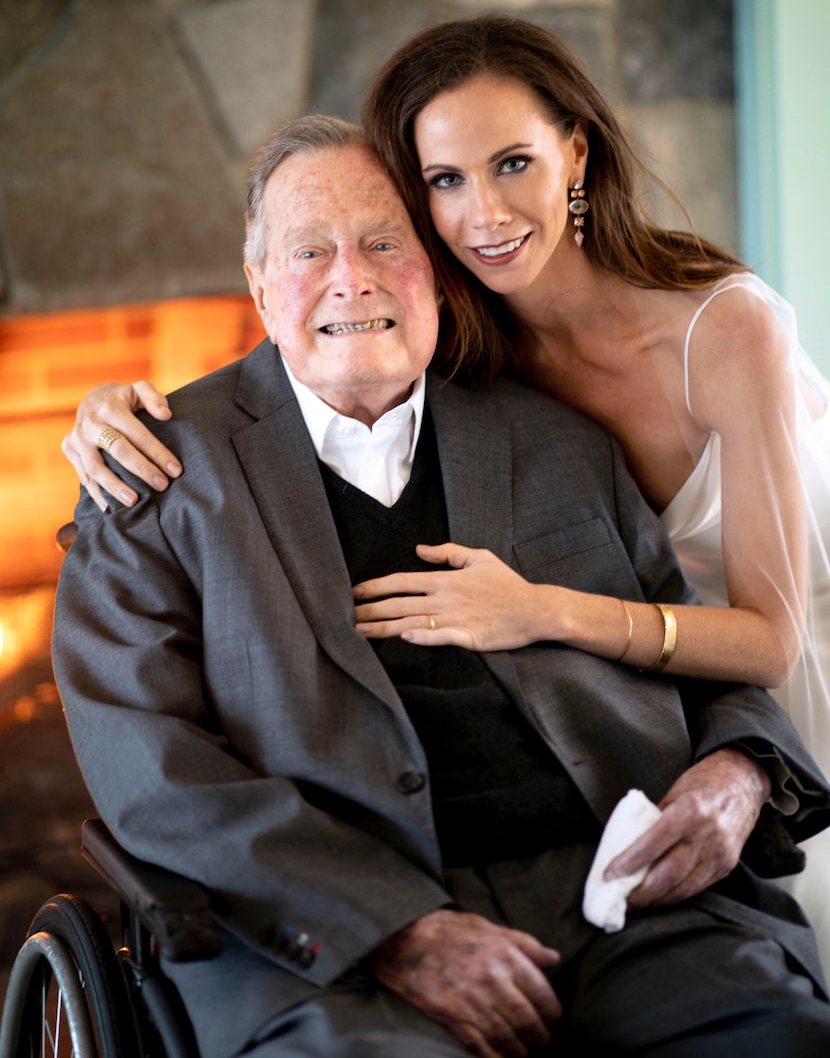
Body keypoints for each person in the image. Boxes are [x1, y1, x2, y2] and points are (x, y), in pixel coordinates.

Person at [52, 116, 830, 1058]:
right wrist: (395, 928)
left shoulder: (560, 439)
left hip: (623, 899)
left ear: (433, 266)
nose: (354, 276)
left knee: (778, 1036)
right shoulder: (154, 471)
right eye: (310, 251)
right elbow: (152, 771)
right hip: (333, 947)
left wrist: (741, 771)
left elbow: (699, 641)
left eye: (386, 241)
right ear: (259, 285)